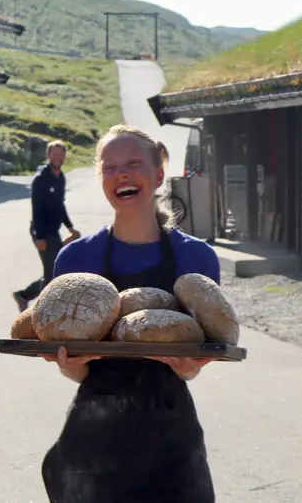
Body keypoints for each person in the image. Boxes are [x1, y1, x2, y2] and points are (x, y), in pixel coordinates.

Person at [39, 123, 221, 503]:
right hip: (91, 438)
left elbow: (201, 357)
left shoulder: (197, 258)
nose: (121, 173)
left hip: (171, 439)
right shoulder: (75, 259)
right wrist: (69, 365)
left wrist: (188, 366)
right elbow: (74, 366)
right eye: (109, 167)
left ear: (158, 175)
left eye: (134, 163)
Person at [12, 140, 79, 310]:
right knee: (52, 273)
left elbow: (60, 205)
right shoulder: (41, 179)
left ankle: (23, 295)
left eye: (60, 155)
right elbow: (37, 208)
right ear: (48, 155)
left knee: (55, 271)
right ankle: (44, 310)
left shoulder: (60, 177)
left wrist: (70, 227)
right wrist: (40, 236)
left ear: (64, 156)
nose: (58, 158)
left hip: (53, 231)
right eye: (54, 154)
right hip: (41, 232)